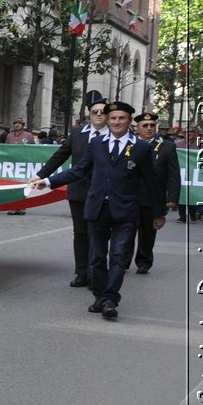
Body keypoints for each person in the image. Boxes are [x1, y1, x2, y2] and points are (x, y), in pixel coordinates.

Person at [30, 100, 157, 321]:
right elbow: (78, 170)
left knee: (117, 257)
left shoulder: (141, 147)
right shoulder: (97, 143)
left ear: (129, 122)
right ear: (108, 120)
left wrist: (158, 213)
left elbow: (151, 182)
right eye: (114, 118)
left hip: (125, 212)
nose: (117, 122)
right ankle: (100, 295)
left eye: (122, 118)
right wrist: (48, 181)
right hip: (97, 209)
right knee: (97, 258)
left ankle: (110, 299)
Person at [36, 92, 109, 290]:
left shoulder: (113, 135)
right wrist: (41, 175)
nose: (99, 115)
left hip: (103, 192)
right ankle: (81, 272)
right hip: (78, 191)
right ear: (89, 114)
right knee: (81, 233)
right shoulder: (77, 133)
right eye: (95, 112)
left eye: (103, 112)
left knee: (98, 233)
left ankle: (96, 273)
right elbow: (60, 156)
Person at [130, 111, 180, 274]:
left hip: (152, 198)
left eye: (152, 125)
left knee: (147, 233)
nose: (149, 128)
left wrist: (172, 198)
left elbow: (173, 175)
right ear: (138, 128)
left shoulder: (167, 147)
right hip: (129, 197)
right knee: (126, 231)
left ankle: (144, 262)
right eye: (145, 126)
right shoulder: (129, 144)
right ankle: (122, 261)